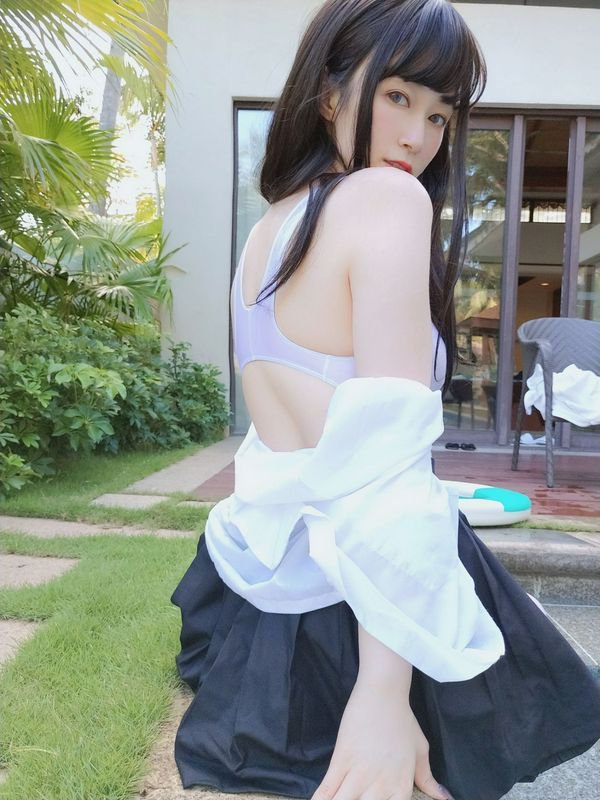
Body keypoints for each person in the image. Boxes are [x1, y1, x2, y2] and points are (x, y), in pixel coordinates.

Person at [171, 2, 600, 799]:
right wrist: (381, 696)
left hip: (257, 595)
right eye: (399, 97)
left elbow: (286, 435)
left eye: (439, 115)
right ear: (330, 91)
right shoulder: (387, 201)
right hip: (359, 612)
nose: (417, 137)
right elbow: (386, 464)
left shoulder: (271, 225)